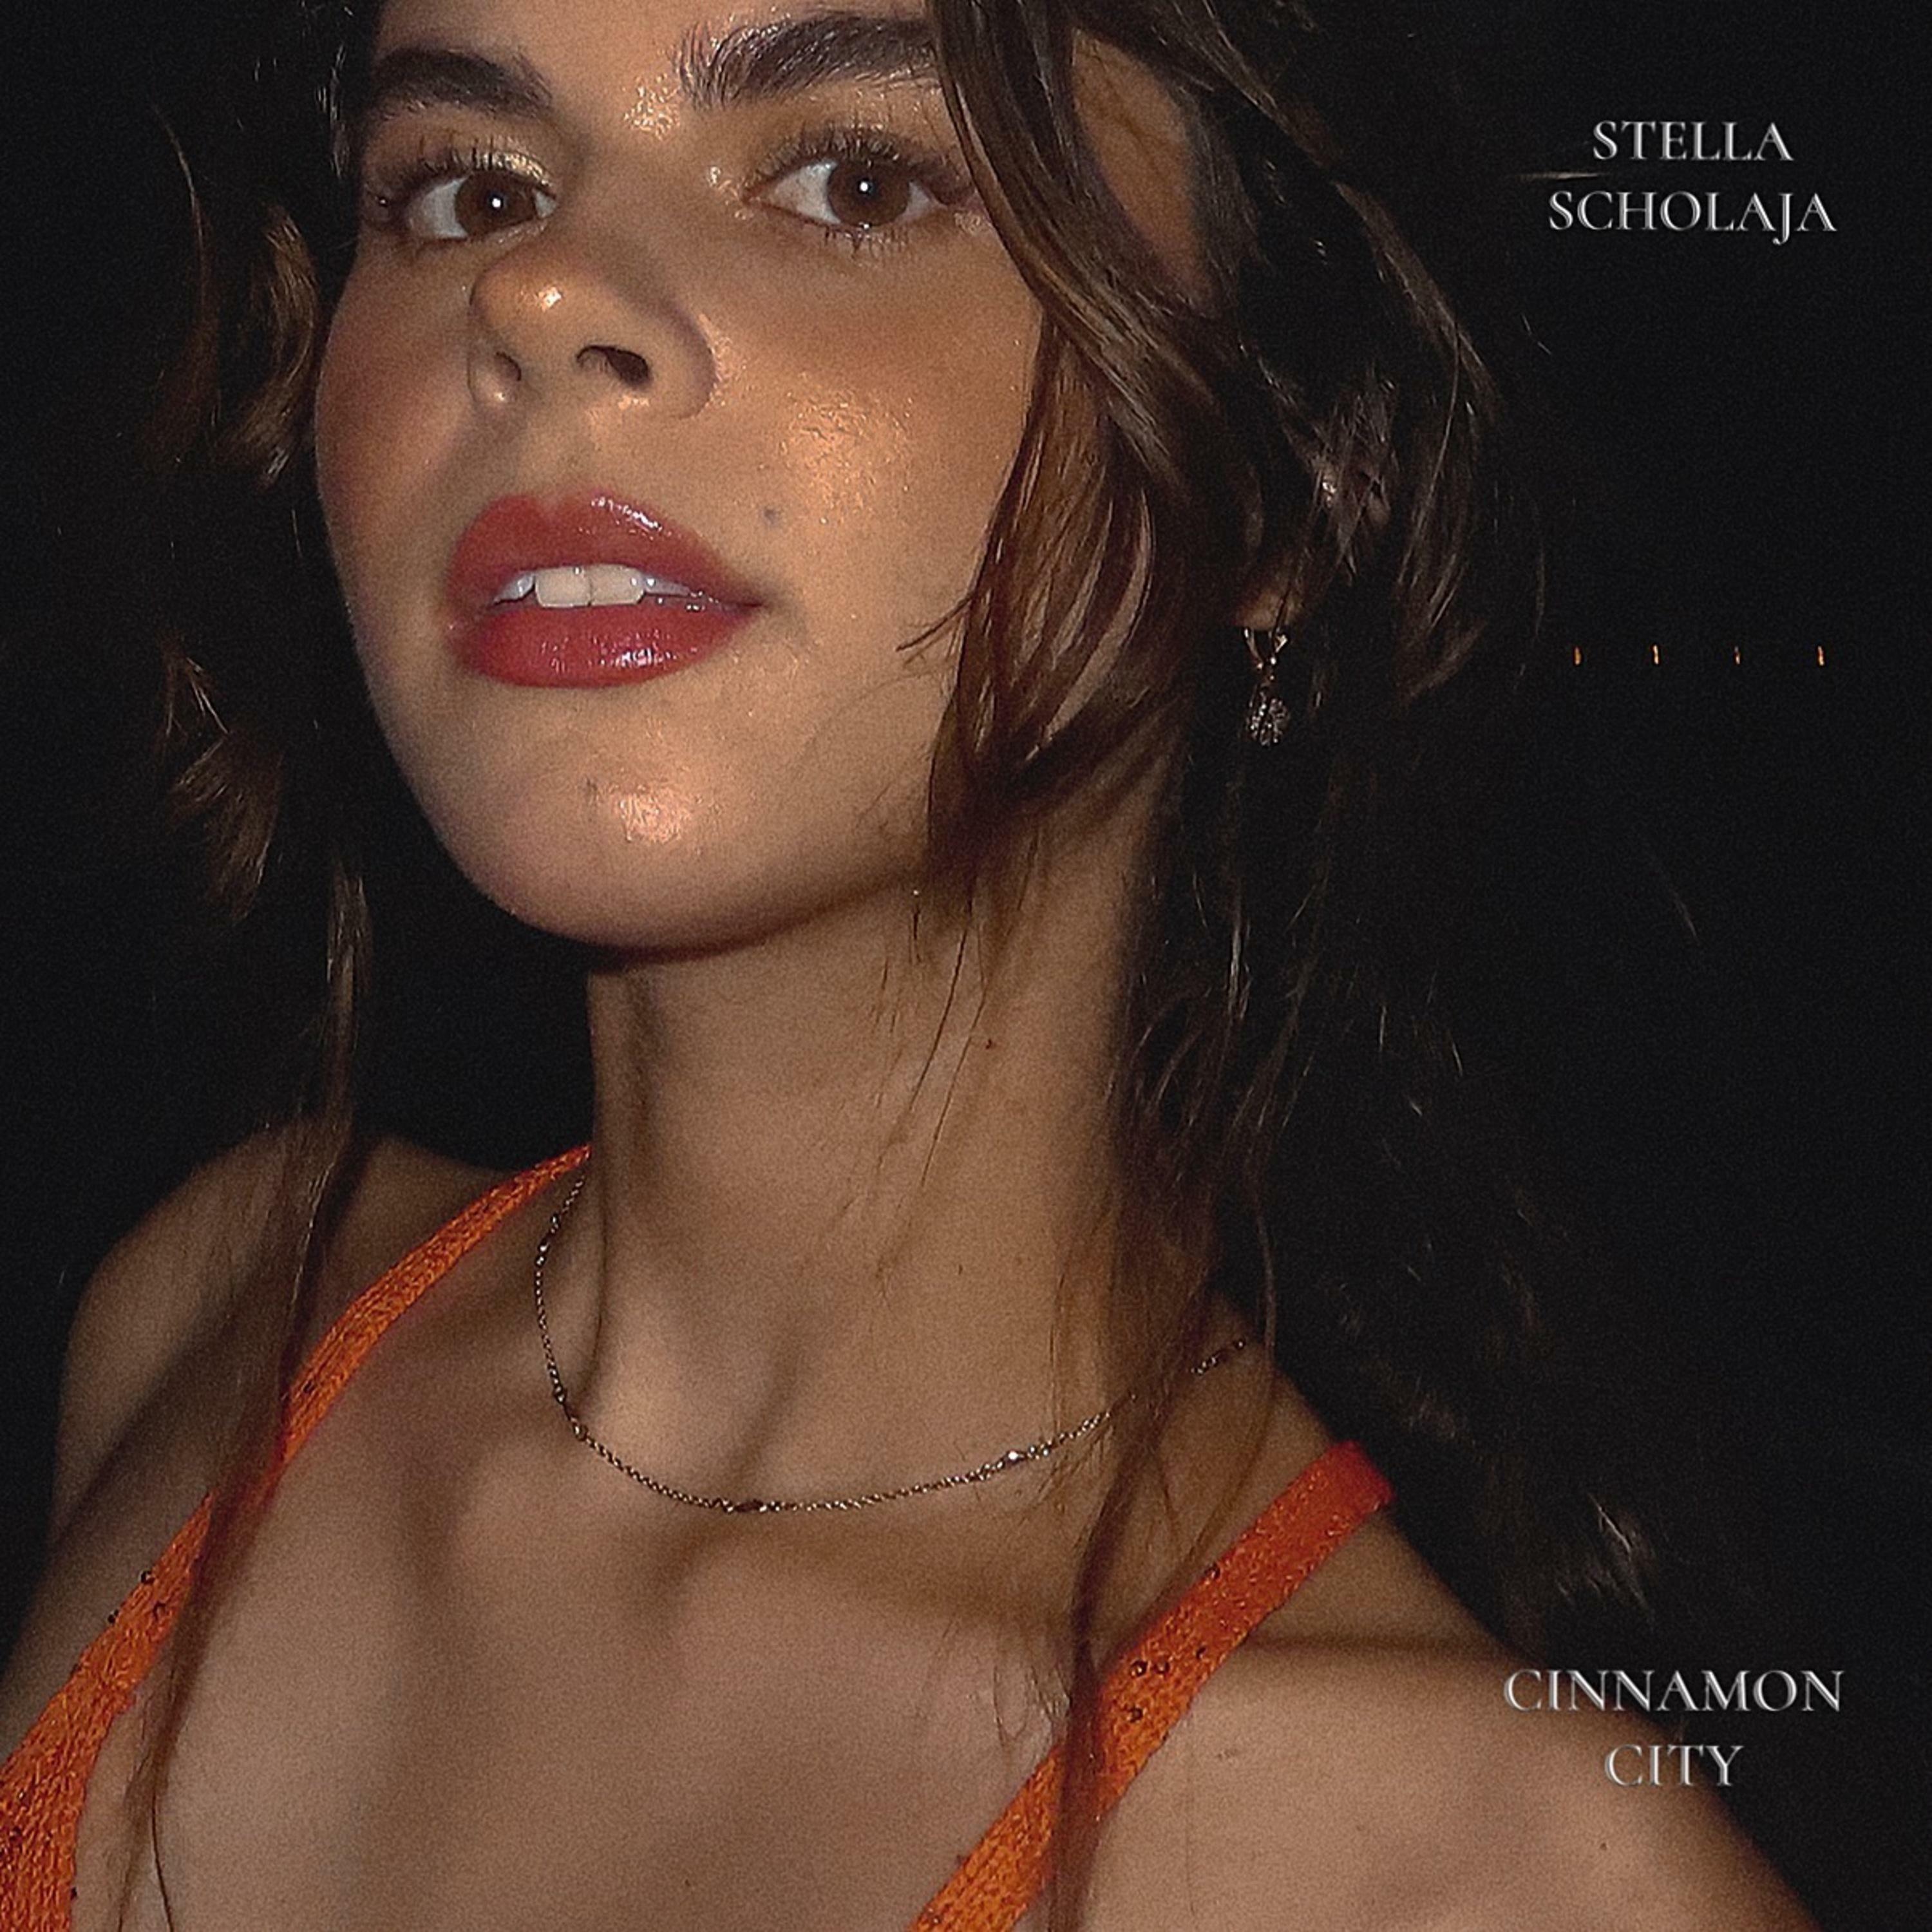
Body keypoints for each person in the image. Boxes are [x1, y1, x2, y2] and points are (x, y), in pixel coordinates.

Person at [0, 0, 1828, 1925]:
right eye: (466, 189)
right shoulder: (213, 1318)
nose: (534, 295)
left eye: (853, 184)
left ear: (1290, 475)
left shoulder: (1496, 1879)